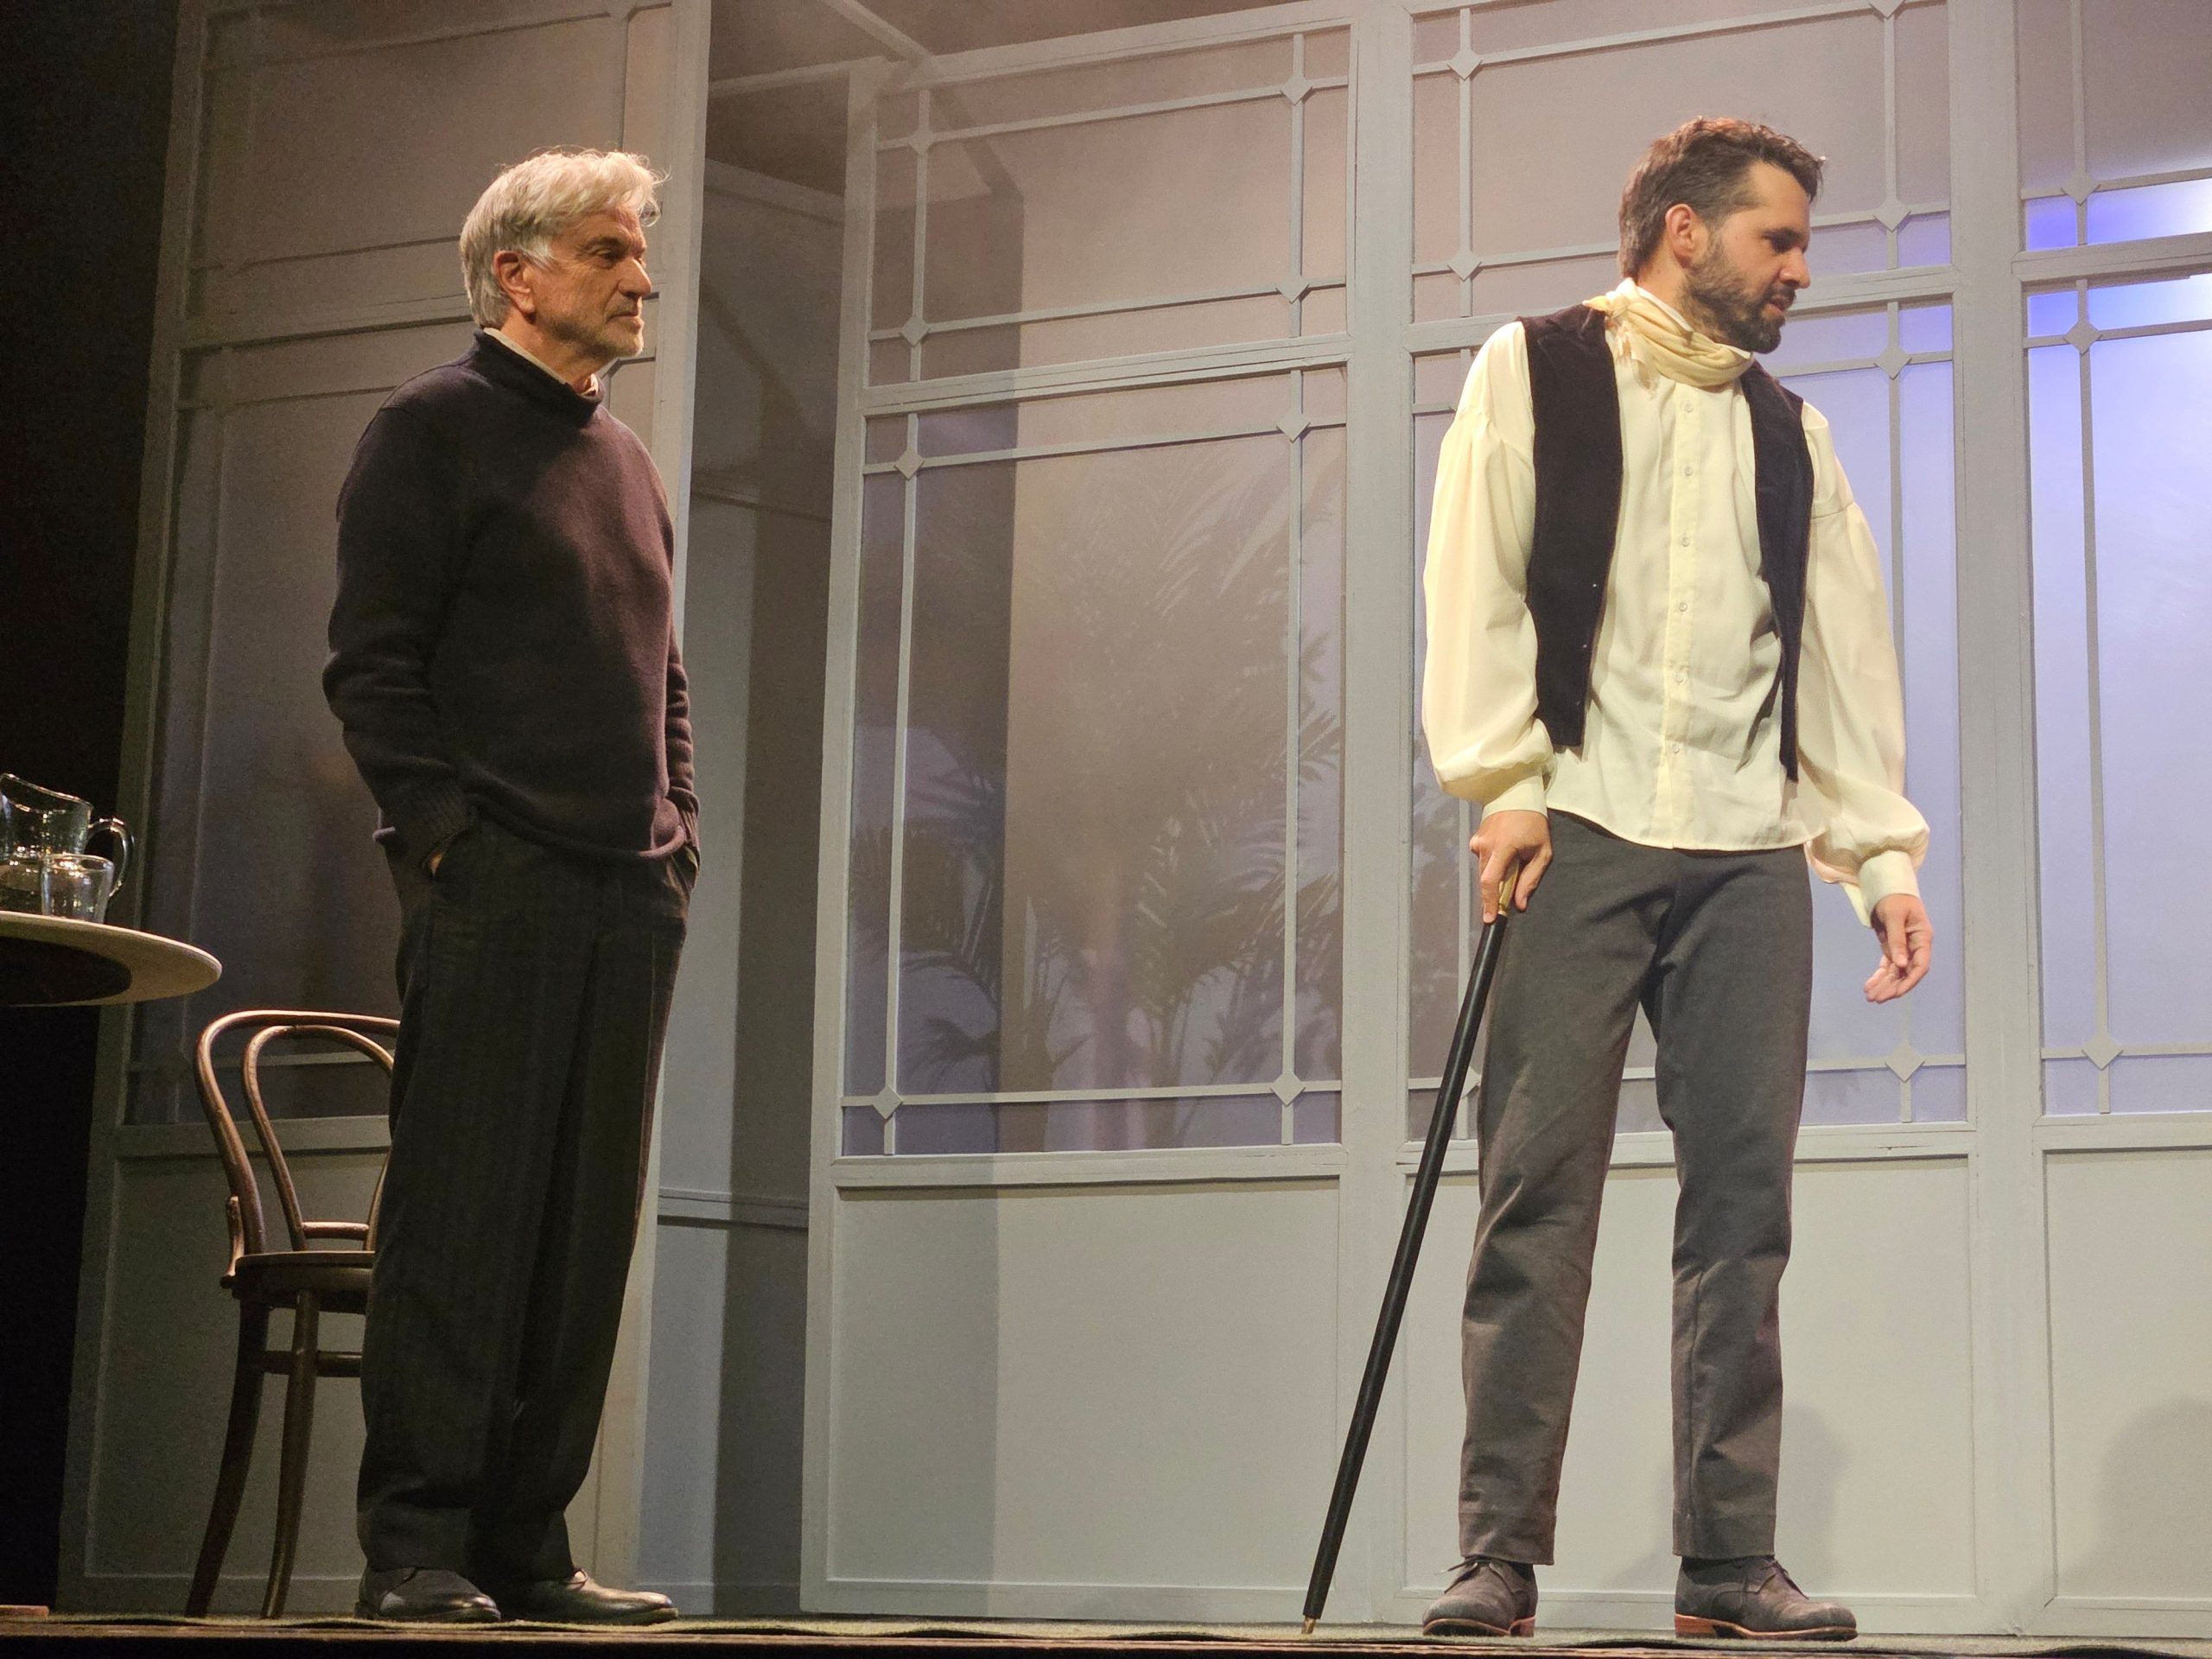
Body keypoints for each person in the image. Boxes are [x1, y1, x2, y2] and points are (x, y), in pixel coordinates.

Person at [1419, 118, 1933, 1642]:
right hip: (1577, 824)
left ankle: (1726, 1563)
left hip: (1750, 847)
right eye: (1780, 239)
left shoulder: (1791, 432)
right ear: (1685, 231)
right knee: (1536, 1198)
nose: (1799, 271)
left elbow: (1839, 659)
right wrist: (1506, 784)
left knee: (1742, 1212)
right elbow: (1477, 583)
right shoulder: (1535, 368)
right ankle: (1498, 1554)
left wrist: (1879, 856)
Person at [324, 147, 696, 1625]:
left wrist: (678, 835)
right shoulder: (429, 430)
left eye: (638, 251)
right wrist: (445, 840)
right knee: (463, 1221)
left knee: (582, 1236)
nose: (641, 276)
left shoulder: (628, 463)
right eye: (610, 251)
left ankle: (526, 1550)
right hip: (499, 882)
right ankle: (414, 1547)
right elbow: (373, 667)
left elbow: (665, 681)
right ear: (517, 274)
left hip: (630, 892)